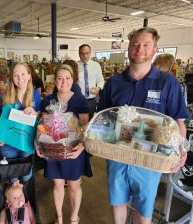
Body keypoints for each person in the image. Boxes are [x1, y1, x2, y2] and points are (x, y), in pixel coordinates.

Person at [97, 27, 189, 224]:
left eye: (146, 45)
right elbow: (102, 119)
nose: (140, 49)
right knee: (117, 202)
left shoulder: (168, 83)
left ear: (155, 49)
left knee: (144, 209)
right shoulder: (114, 82)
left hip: (150, 160)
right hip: (117, 155)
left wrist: (181, 150)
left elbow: (178, 121)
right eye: (135, 45)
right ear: (128, 49)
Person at [36, 64, 93, 224]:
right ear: (54, 81)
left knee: (74, 185)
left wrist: (81, 146)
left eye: (67, 78)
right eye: (60, 78)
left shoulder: (80, 99)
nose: (64, 81)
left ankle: (74, 217)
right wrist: (38, 143)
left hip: (73, 150)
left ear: (73, 79)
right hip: (53, 149)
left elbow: (84, 126)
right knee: (57, 185)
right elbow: (43, 125)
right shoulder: (48, 100)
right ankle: (59, 217)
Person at [0, 62, 41, 182]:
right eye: (16, 75)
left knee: (26, 176)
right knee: (13, 178)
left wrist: (36, 114)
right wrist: (0, 136)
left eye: (23, 74)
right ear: (11, 78)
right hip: (8, 143)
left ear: (29, 75)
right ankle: (13, 200)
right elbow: (1, 119)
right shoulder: (5, 96)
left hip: (27, 141)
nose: (20, 78)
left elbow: (41, 120)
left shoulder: (35, 95)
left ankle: (25, 200)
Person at [77, 44, 104, 118]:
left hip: (91, 100)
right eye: (82, 53)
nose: (85, 56)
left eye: (87, 53)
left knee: (90, 121)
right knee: (78, 120)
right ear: (79, 54)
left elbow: (101, 80)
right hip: (78, 99)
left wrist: (98, 88)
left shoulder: (96, 65)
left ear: (90, 53)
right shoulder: (75, 66)